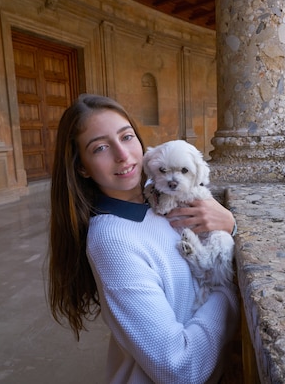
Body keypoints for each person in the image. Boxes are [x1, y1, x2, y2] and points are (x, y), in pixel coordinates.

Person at [47, 93, 240, 383]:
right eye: (100, 147)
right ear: (82, 167)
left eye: (126, 137)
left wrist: (229, 225)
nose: (123, 155)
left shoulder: (159, 196)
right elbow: (180, 368)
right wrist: (230, 291)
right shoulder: (112, 241)